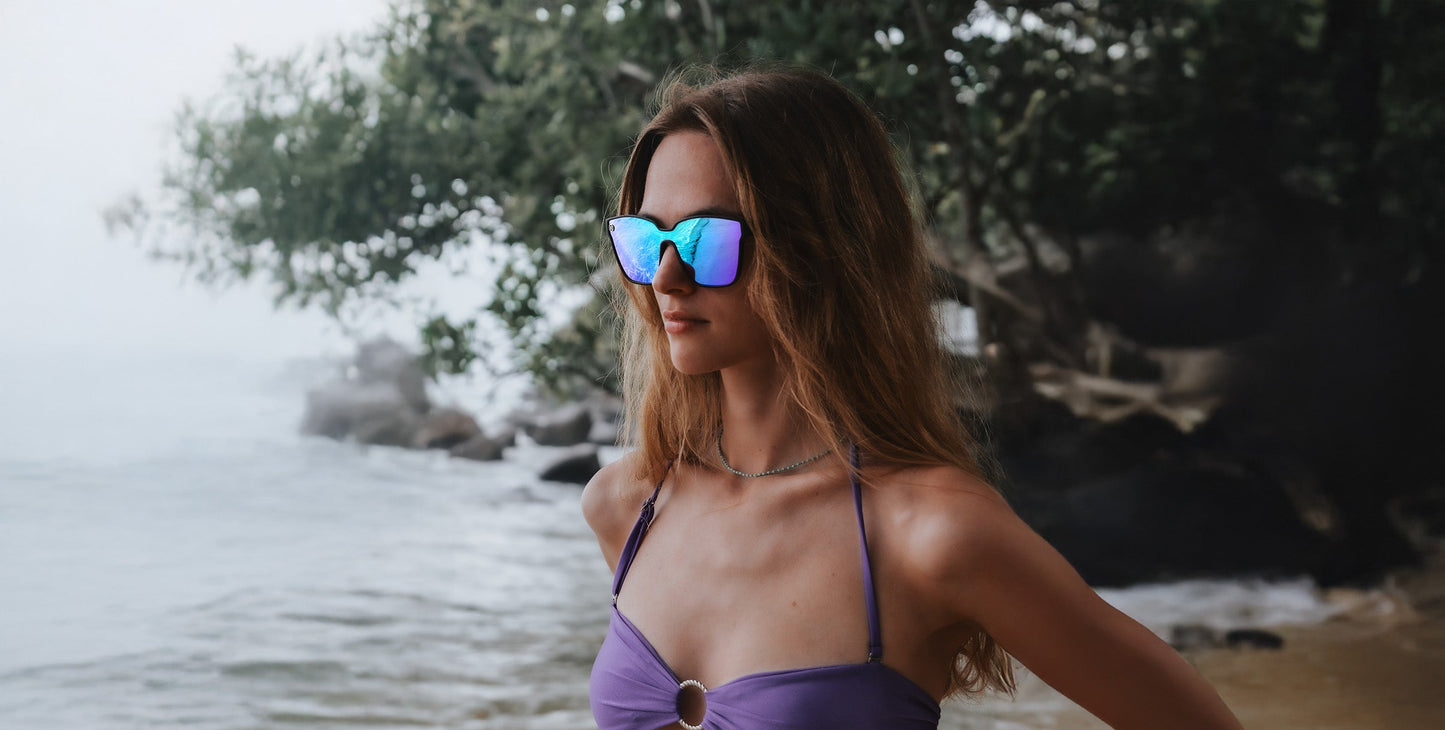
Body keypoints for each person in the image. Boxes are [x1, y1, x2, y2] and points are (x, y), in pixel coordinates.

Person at [582, 66, 1243, 730]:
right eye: (647, 240)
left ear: (819, 251)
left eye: (706, 241)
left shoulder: (931, 534)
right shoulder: (628, 507)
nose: (666, 276)